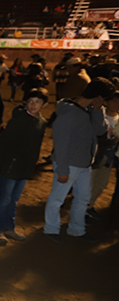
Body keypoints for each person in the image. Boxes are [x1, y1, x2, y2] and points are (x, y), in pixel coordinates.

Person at [44, 78, 114, 243]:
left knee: (83, 198)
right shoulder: (69, 113)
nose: (105, 103)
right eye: (104, 99)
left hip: (84, 163)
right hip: (69, 163)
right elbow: (60, 144)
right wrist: (62, 170)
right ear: (98, 96)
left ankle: (76, 229)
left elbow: (100, 130)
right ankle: (51, 228)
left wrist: (97, 110)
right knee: (57, 198)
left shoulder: (91, 109)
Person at [0, 88, 48, 244]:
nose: (33, 105)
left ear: (44, 104)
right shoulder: (18, 120)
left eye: (37, 102)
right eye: (30, 101)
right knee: (5, 199)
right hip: (11, 166)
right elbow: (3, 141)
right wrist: (6, 161)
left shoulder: (42, 122)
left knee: (14, 200)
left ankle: (9, 228)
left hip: (26, 167)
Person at [86, 89, 119, 220]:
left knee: (101, 185)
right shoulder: (99, 115)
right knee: (89, 183)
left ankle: (89, 206)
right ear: (106, 102)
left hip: (109, 158)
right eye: (114, 100)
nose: (117, 103)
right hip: (95, 156)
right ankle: (82, 211)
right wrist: (112, 141)